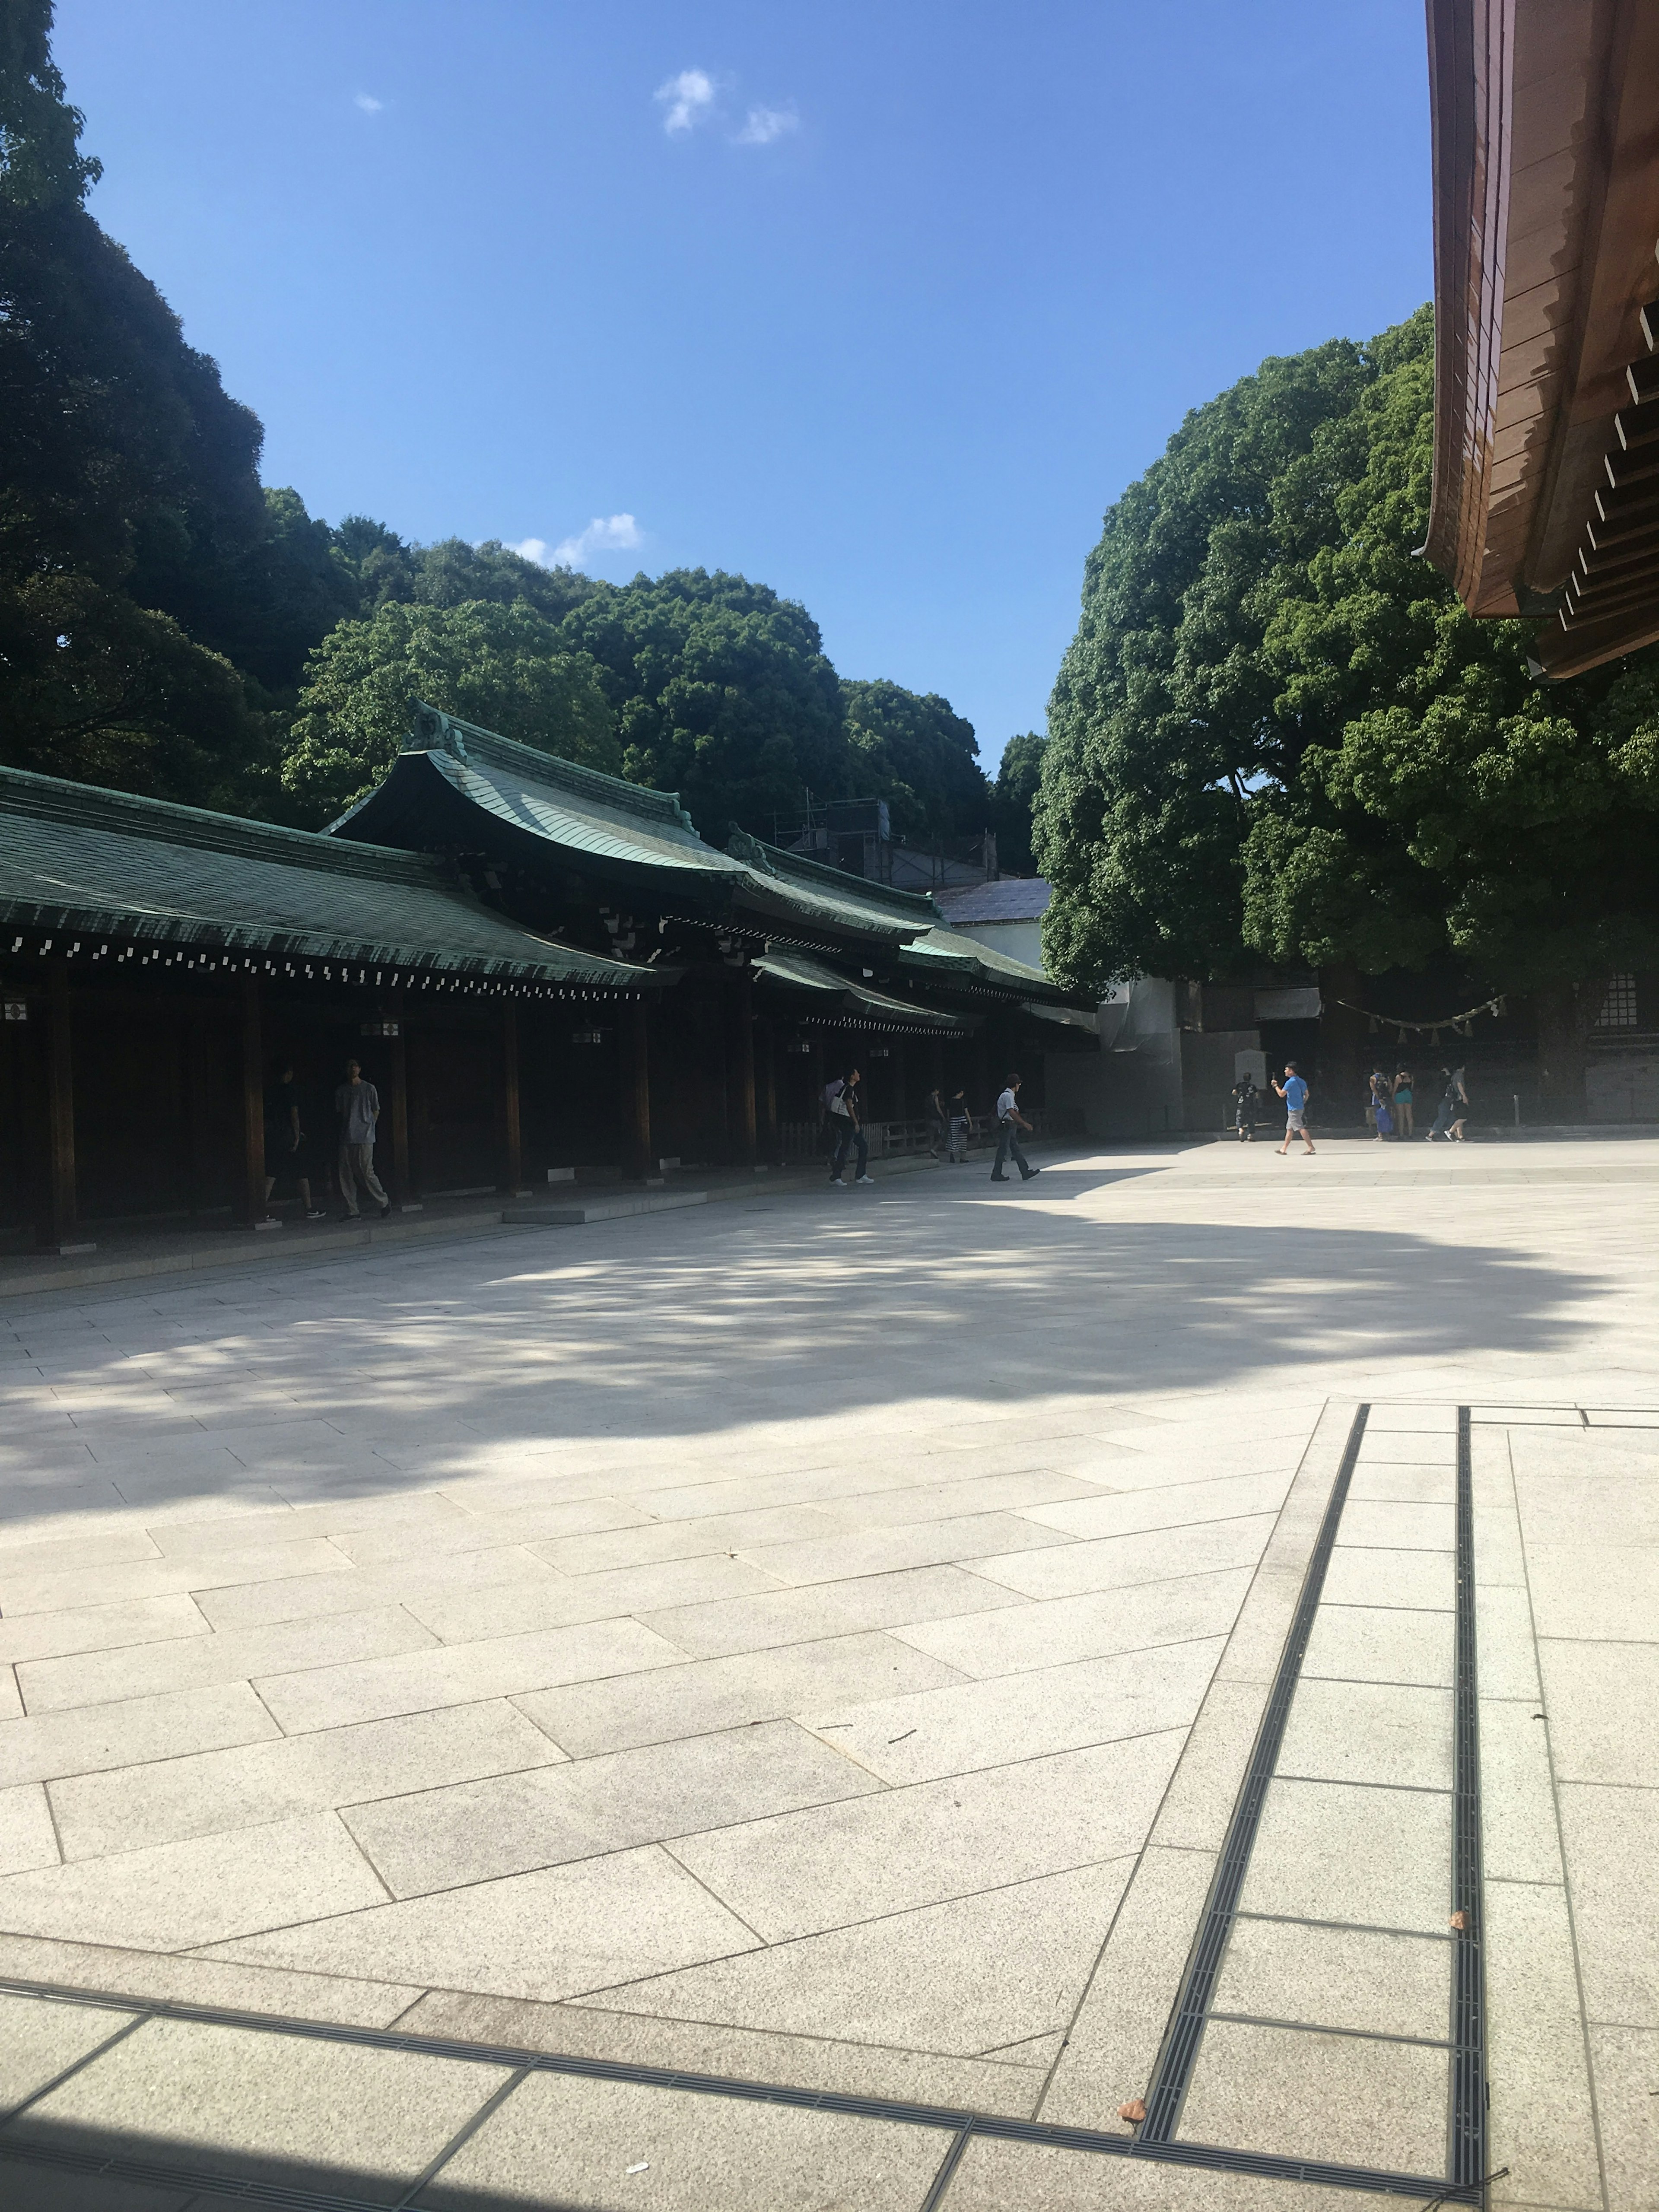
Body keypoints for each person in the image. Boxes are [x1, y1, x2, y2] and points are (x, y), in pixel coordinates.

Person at [264, 1063, 325, 1220]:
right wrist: (297, 1136)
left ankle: (261, 1208)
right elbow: (294, 1114)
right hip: (288, 1135)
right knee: (300, 1171)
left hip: (272, 1135)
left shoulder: (270, 1090)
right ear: (289, 1073)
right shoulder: (290, 1090)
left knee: (271, 1172)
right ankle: (309, 1208)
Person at [335, 1058, 391, 1218]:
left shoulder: (369, 1088)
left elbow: (376, 1109)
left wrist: (371, 1125)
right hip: (346, 1135)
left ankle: (383, 1201)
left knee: (366, 1171)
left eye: (355, 1066)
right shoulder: (341, 1091)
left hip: (365, 1135)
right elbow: (339, 1113)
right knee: (345, 1173)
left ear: (359, 1069)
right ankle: (352, 1209)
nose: (353, 1069)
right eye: (350, 1067)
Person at [990, 1071, 1040, 1182]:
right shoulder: (1007, 1096)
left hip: (1010, 1126)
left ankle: (1025, 1171)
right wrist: (1024, 1123)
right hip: (1007, 1125)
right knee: (1003, 1150)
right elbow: (1011, 1112)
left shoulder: (1009, 1096)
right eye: (1019, 1084)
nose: (1019, 1087)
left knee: (1014, 1150)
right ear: (1016, 1084)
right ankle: (996, 1173)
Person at [828, 1067, 873, 1185]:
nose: (859, 1074)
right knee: (846, 1148)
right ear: (852, 1076)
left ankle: (860, 1175)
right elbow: (849, 1105)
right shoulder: (849, 1089)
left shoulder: (848, 1088)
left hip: (847, 1122)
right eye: (857, 1073)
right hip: (848, 1123)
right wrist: (856, 1123)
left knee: (860, 1146)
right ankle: (838, 1176)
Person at [1274, 1062, 1316, 1156]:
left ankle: (1311, 1147)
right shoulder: (1301, 1081)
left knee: (1300, 1128)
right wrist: (1302, 1102)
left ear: (1292, 1071)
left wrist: (1275, 1086)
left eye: (1287, 1069)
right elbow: (1307, 1095)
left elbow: (1281, 1094)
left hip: (1293, 1109)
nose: (1285, 1071)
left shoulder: (1290, 1082)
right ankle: (1284, 1149)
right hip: (1299, 1107)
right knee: (1290, 1129)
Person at [1426, 1066, 1467, 1142]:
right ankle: (1431, 1135)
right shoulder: (1448, 1081)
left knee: (1454, 1117)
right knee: (1444, 1118)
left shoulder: (1447, 1081)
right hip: (1447, 1101)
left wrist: (1446, 1071)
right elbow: (1451, 1082)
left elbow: (1449, 1079)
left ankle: (1457, 1136)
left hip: (1447, 1101)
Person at [1230, 1071, 1260, 1142]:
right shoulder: (1253, 1086)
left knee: (1239, 1118)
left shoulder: (1239, 1085)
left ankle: (1241, 1130)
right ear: (1250, 1079)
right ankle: (1250, 1136)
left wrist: (1239, 1094)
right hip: (1250, 1105)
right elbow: (1257, 1096)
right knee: (1251, 1120)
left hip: (1241, 1104)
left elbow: (1234, 1092)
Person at [948, 1087, 972, 1163]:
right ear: (960, 1093)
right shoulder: (963, 1101)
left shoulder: (950, 1101)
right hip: (962, 1120)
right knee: (963, 1139)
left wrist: (948, 1120)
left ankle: (952, 1155)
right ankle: (963, 1158)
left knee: (953, 1138)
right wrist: (970, 1122)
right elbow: (966, 1112)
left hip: (953, 1121)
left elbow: (948, 1112)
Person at [1367, 1068, 1393, 1140]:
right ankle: (1387, 1134)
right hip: (1386, 1098)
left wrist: (1378, 1097)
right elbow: (1391, 1087)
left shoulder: (1373, 1078)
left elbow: (1373, 1088)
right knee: (1387, 1115)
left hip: (1377, 1099)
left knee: (1378, 1116)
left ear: (1375, 1070)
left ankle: (1380, 1134)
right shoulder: (1386, 1077)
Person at [1392, 1066, 1415, 1139]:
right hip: (1408, 1095)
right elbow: (1412, 1088)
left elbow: (1396, 1087)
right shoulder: (1411, 1077)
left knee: (1401, 1115)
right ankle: (1410, 1134)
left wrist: (1393, 1096)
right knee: (1409, 1115)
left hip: (1400, 1095)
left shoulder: (1399, 1077)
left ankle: (1401, 1134)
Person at [927, 1086, 948, 1159]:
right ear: (936, 1090)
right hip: (936, 1119)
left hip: (928, 1119)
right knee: (941, 1135)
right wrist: (943, 1117)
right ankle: (934, 1149)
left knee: (931, 1136)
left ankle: (931, 1152)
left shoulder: (927, 1099)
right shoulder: (935, 1098)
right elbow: (938, 1108)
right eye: (938, 1091)